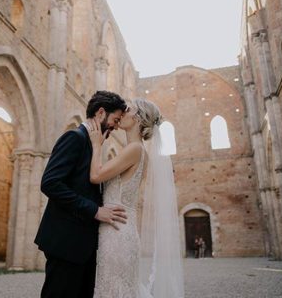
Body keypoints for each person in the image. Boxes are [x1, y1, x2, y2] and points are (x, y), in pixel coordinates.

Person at [87, 98, 184, 298]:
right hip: (121, 229)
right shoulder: (138, 152)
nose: (122, 112)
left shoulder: (134, 150)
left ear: (139, 118)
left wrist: (97, 144)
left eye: (128, 109)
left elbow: (96, 176)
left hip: (117, 232)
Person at [34, 91, 128, 298]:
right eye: (115, 119)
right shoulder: (74, 138)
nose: (116, 126)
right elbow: (50, 183)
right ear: (101, 113)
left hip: (83, 244)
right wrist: (95, 211)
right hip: (66, 242)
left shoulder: (94, 143)